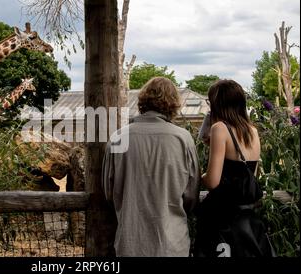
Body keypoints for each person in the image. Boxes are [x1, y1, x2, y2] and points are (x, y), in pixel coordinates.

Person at [102, 77, 200, 257]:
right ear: (173, 105)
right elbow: (191, 196)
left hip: (130, 243)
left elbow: (109, 193)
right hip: (172, 244)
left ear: (142, 102)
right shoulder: (183, 139)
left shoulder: (118, 138)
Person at [194, 79, 275, 257]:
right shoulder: (252, 130)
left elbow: (213, 182)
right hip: (247, 219)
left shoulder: (220, 129)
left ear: (217, 103)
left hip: (223, 219)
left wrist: (199, 176)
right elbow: (248, 176)